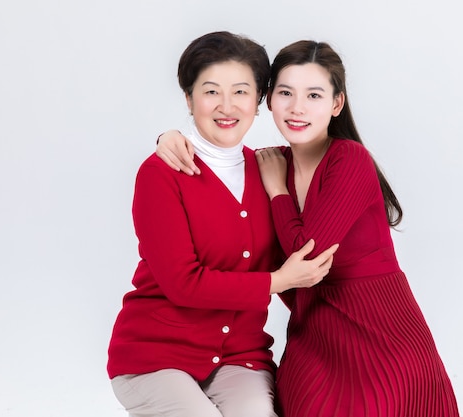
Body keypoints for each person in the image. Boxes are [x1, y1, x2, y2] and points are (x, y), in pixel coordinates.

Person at [157, 40, 460, 417]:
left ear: (336, 104)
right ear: (268, 100)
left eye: (314, 95)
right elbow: (220, 167)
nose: (297, 108)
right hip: (312, 336)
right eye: (285, 93)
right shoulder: (269, 165)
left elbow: (308, 254)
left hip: (379, 333)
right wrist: (168, 138)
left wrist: (278, 191)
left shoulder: (348, 159)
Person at [107, 31, 339, 417]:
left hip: (239, 356)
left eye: (241, 92)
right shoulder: (161, 173)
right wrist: (278, 281)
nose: (226, 106)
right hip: (156, 355)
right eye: (211, 91)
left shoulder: (272, 168)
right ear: (189, 98)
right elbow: (183, 283)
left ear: (259, 101)